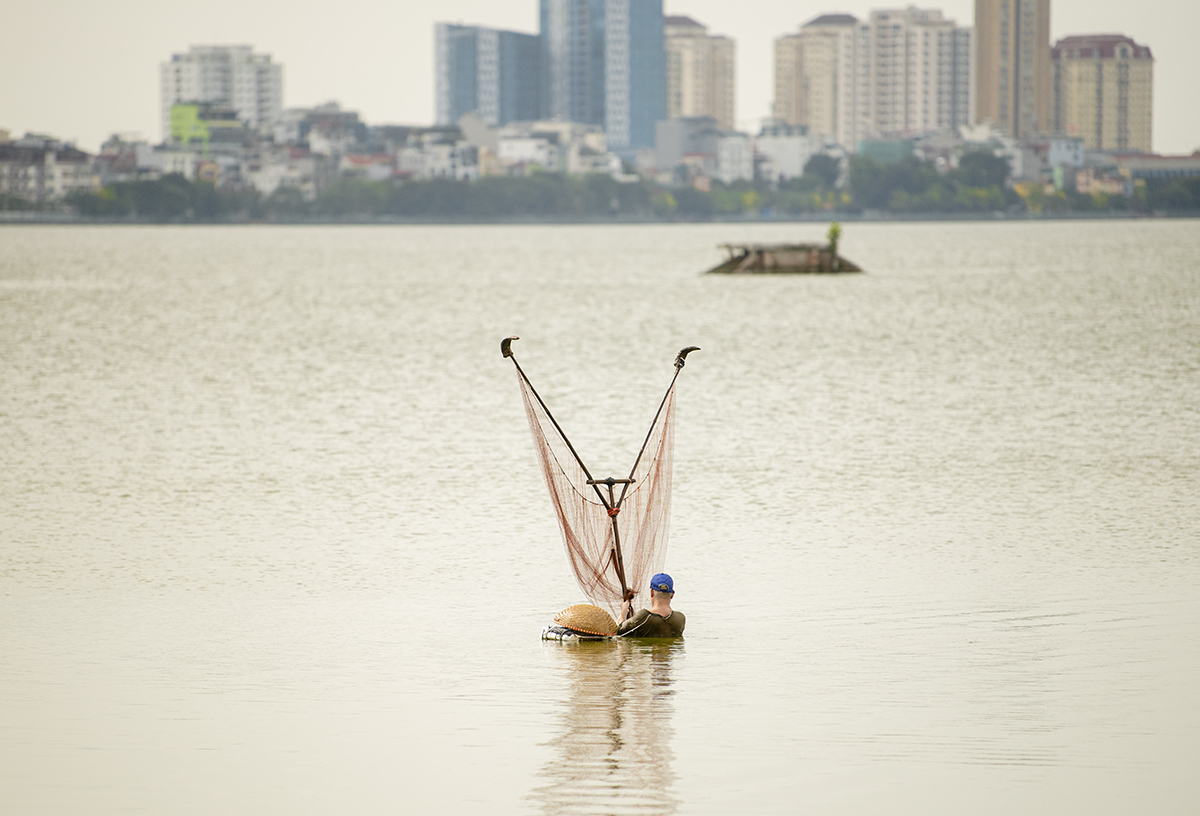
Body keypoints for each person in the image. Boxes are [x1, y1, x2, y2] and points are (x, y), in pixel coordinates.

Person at [617, 573, 685, 638]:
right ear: (672, 595)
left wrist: (624, 611)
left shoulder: (644, 616)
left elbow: (619, 630)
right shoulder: (680, 619)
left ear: (652, 592)